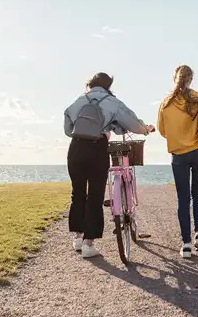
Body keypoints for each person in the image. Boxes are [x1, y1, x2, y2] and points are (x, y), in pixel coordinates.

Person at [64, 72, 155, 259]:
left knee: (78, 192)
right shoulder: (112, 102)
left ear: (90, 84)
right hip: (97, 148)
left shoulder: (79, 101)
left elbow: (67, 129)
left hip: (76, 148)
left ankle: (78, 237)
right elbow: (132, 123)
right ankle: (89, 244)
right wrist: (145, 129)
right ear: (108, 85)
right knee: (96, 195)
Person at [157, 65, 198, 258]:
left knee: (183, 198)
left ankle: (186, 244)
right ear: (191, 79)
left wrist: (178, 136)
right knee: (197, 192)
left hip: (178, 154)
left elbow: (162, 130)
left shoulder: (166, 103)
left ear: (174, 78)